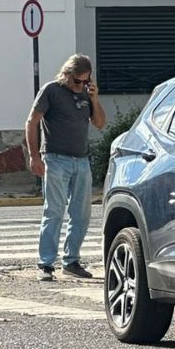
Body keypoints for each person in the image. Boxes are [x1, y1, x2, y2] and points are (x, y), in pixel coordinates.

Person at [25, 54, 106, 281]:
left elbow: (99, 123)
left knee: (81, 214)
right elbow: (32, 121)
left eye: (85, 81)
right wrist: (34, 157)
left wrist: (95, 98)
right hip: (55, 158)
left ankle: (71, 261)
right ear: (67, 74)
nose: (80, 86)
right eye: (77, 81)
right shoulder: (51, 90)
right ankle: (46, 264)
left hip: (81, 161)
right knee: (54, 211)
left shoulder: (86, 95)